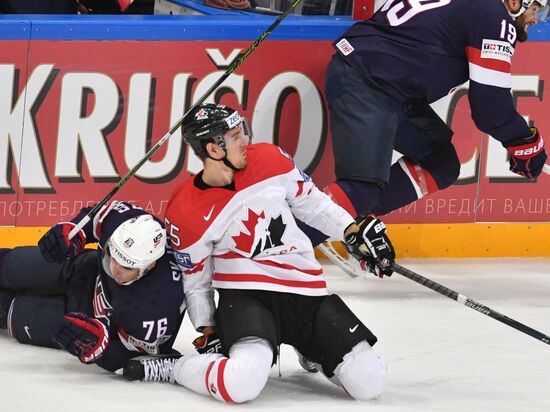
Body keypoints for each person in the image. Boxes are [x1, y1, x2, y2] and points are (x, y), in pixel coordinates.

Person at [122, 103, 392, 402]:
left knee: (369, 382)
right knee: (241, 385)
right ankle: (177, 368)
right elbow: (196, 280)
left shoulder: (271, 159)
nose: (245, 142)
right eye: (235, 137)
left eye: (243, 132)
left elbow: (313, 204)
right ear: (213, 149)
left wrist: (351, 231)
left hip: (307, 293)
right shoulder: (185, 209)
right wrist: (207, 329)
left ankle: (316, 351)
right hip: (248, 298)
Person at [300, 0, 548, 248]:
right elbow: (491, 108)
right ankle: (278, 245)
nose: (535, 19)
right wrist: (525, 142)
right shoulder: (494, 17)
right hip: (368, 82)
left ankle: (353, 219)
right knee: (361, 188)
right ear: (516, 2)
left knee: (440, 164)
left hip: (382, 81)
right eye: (535, 9)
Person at [0, 200, 185, 373]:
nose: (115, 269)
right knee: (9, 265)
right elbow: (95, 216)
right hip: (82, 269)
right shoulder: (122, 221)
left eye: (127, 266)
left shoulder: (154, 310)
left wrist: (98, 348)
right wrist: (75, 230)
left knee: (8, 309)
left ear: (149, 266)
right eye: (113, 256)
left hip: (86, 319)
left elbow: (134, 359)